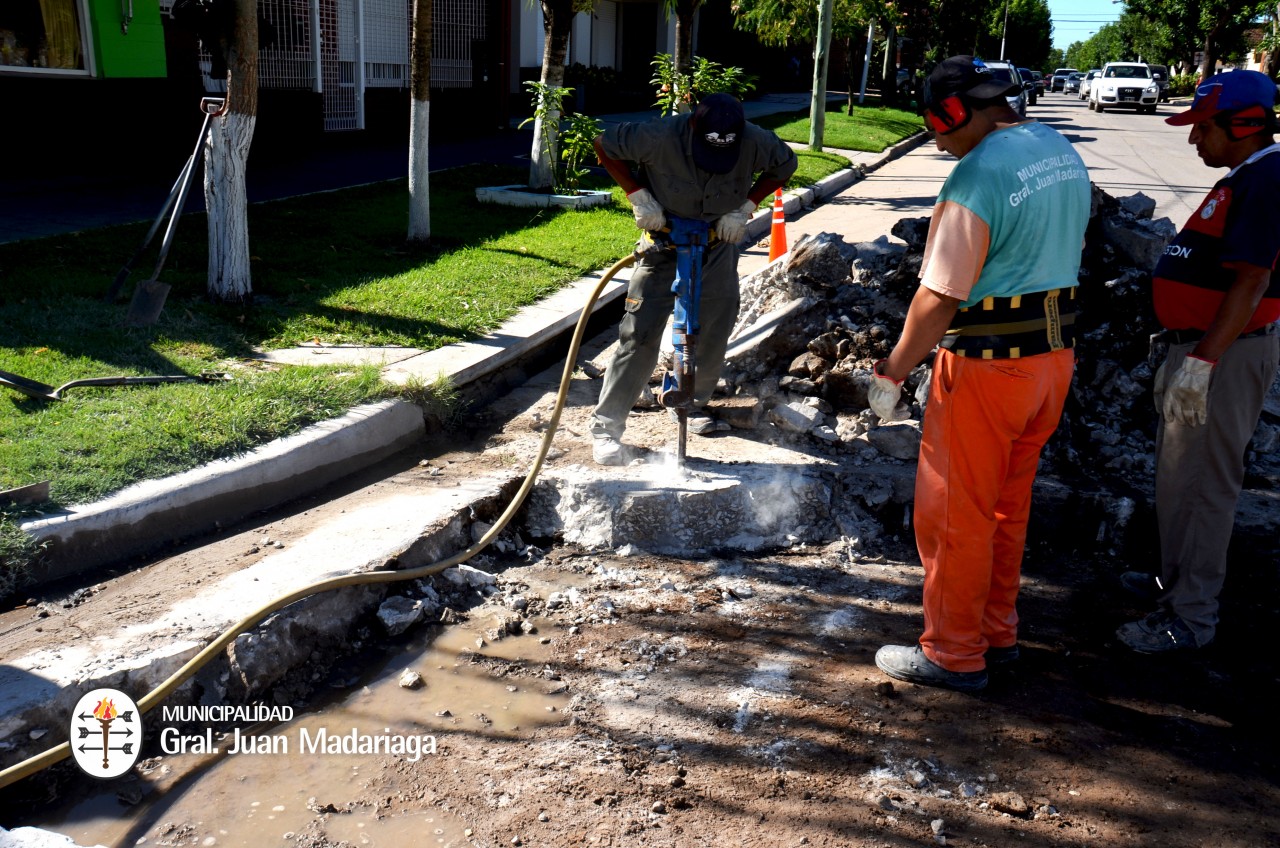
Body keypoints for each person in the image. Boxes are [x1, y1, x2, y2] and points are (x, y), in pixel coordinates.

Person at [869, 56, 1091, 692]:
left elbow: (939, 296)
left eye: (938, 124)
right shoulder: (1057, 149)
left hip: (988, 370)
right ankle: (997, 631)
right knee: (1004, 509)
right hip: (1051, 363)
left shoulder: (977, 176)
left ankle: (953, 652)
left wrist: (892, 372)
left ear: (956, 111)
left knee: (953, 513)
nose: (937, 140)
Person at [1116, 71, 1280, 653]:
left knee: (1207, 485)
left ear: (1244, 125)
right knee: (1178, 477)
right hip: (1202, 348)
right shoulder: (1242, 178)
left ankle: (1190, 616)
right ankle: (1173, 580)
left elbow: (1253, 281)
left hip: (1224, 356)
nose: (1193, 141)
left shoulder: (1266, 181)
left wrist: (1203, 362)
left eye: (1203, 128)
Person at [589, 93, 798, 465]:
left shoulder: (754, 139)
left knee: (714, 327)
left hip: (717, 244)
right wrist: (637, 195)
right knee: (638, 333)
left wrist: (745, 206)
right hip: (663, 241)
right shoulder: (658, 135)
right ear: (692, 126)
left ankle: (689, 402)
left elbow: (785, 165)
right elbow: (603, 144)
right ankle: (606, 428)